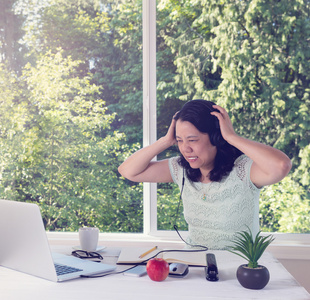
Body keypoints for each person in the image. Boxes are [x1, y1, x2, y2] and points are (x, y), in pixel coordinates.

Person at [118, 99, 292, 249]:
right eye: (180, 141)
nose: (186, 149)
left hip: (240, 273)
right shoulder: (181, 169)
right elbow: (128, 171)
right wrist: (165, 141)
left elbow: (281, 165)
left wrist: (231, 137)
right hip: (195, 268)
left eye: (192, 140)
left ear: (216, 138)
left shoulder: (243, 170)